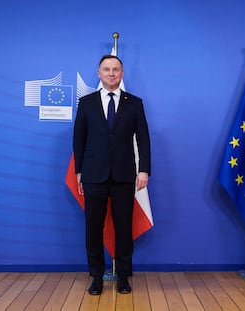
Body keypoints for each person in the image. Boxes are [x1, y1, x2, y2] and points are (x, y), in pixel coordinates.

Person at [73, 55, 151, 295]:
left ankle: (123, 276)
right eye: (106, 69)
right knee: (93, 228)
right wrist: (79, 171)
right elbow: (79, 139)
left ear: (122, 73)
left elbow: (143, 139)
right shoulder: (86, 103)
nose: (111, 73)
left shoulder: (134, 103)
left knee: (123, 228)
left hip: (124, 175)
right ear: (99, 73)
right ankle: (96, 276)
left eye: (115, 69)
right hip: (94, 175)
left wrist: (144, 169)